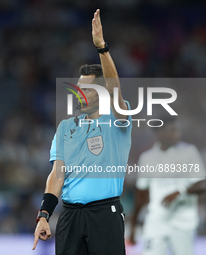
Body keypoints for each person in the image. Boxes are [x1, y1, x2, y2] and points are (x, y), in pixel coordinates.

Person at [32, 9, 132, 255]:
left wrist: (102, 48)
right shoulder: (66, 127)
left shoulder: (118, 118)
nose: (79, 94)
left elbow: (115, 87)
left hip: (104, 215)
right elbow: (57, 174)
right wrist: (44, 214)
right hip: (69, 216)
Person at [129, 116, 206, 255]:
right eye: (172, 130)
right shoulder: (147, 158)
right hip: (156, 220)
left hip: (183, 222)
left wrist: (180, 191)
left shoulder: (189, 152)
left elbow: (202, 184)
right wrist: (133, 226)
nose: (177, 133)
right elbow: (141, 193)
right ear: (159, 132)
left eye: (177, 130)